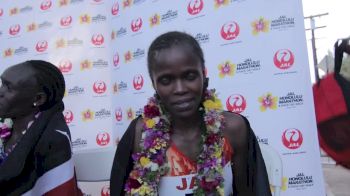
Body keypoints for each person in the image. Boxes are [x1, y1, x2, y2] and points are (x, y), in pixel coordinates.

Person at [110, 31, 271, 196]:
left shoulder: (233, 129)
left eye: (190, 76)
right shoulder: (141, 134)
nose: (180, 89)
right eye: (166, 80)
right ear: (154, 84)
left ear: (203, 74)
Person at [0, 60, 81, 195]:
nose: (0, 92)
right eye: (2, 83)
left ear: (38, 99)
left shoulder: (54, 140)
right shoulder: (5, 126)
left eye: (9, 88)